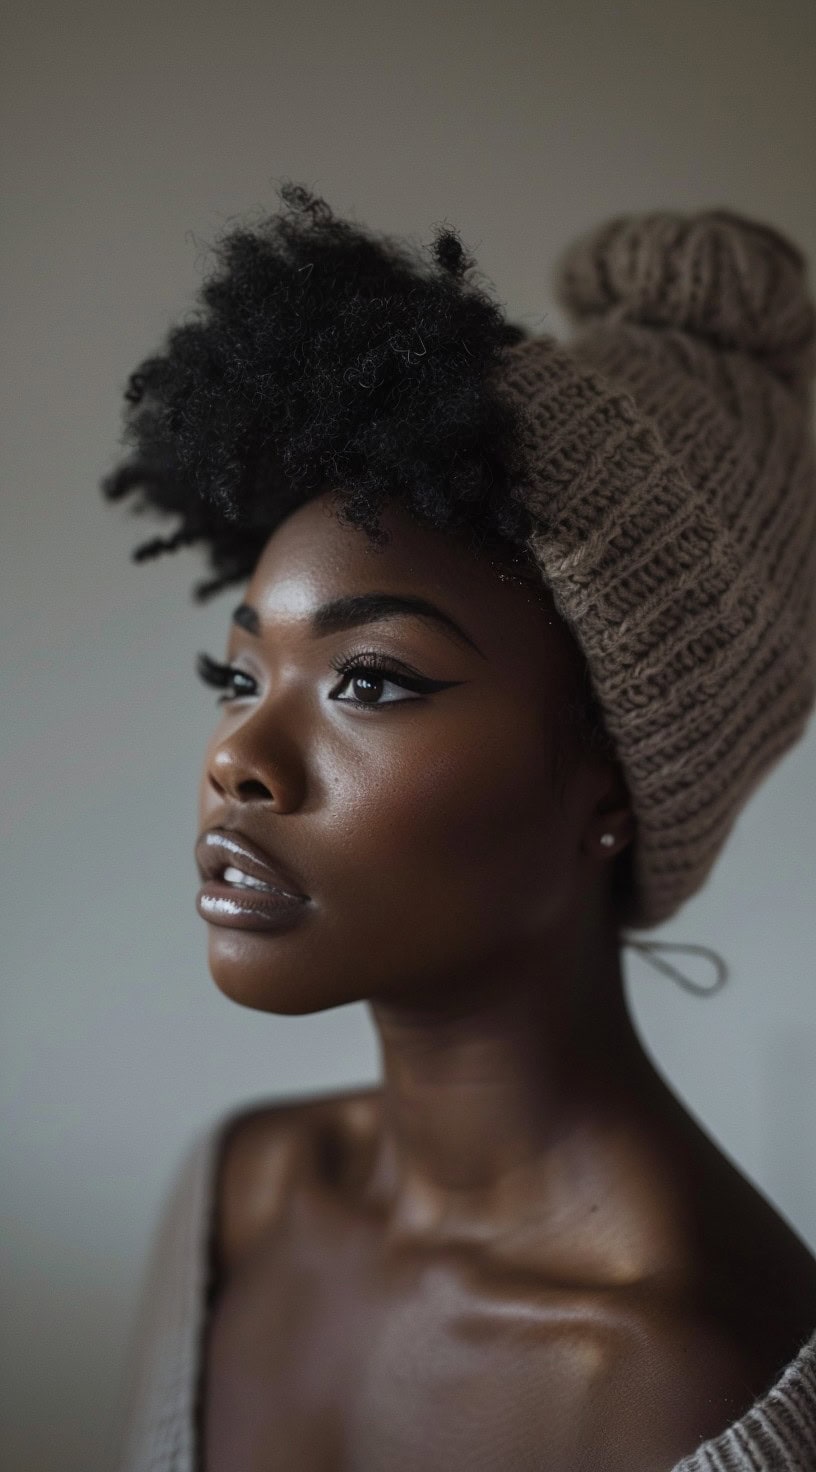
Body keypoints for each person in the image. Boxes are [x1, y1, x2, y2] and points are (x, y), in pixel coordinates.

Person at [102, 186, 816, 1470]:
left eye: (371, 680)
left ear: (615, 779)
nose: (238, 758)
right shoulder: (239, 1199)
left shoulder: (696, 1375)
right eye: (239, 676)